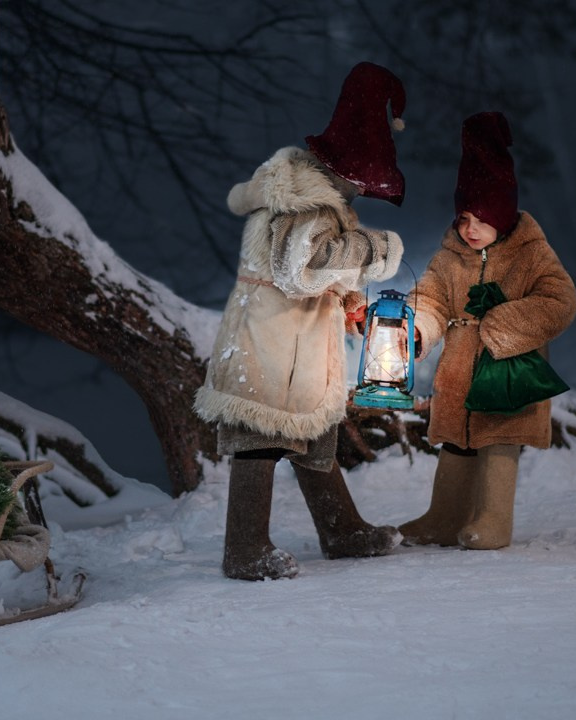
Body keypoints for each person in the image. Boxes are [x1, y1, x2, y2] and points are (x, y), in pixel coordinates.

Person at [193, 62, 407, 580]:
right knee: (261, 441)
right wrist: (377, 250)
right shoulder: (309, 205)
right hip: (271, 344)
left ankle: (341, 529)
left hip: (290, 344)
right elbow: (300, 269)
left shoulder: (312, 199)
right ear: (348, 172)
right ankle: (245, 549)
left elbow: (311, 268)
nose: (360, 197)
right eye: (361, 186)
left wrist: (351, 295)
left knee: (313, 436)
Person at [400, 111, 576, 550]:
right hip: (461, 370)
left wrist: (503, 325)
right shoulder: (450, 256)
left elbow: (560, 301)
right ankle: (444, 517)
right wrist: (419, 327)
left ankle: (493, 520)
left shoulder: (530, 253)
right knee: (457, 442)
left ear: (502, 213)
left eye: (480, 218)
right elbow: (431, 297)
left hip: (508, 371)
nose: (470, 228)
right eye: (463, 217)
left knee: (500, 441)